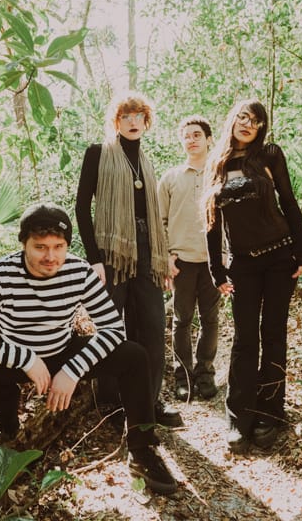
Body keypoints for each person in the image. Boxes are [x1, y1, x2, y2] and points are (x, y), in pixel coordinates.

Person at [0, 203, 177, 495]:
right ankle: (6, 405)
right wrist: (25, 358)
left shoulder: (78, 271)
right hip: (14, 357)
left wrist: (73, 370)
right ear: (24, 244)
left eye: (58, 246)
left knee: (134, 356)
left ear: (67, 245)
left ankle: (142, 450)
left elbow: (113, 329)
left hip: (62, 351)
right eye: (40, 247)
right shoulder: (0, 275)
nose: (50, 257)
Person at [203, 99, 302, 453]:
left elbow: (288, 201)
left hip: (280, 258)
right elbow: (212, 221)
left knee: (273, 334)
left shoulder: (269, 155)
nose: (249, 124)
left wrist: (301, 251)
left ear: (262, 128)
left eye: (257, 121)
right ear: (233, 120)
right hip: (243, 265)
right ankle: (239, 417)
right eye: (244, 117)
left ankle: (270, 413)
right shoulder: (217, 163)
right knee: (245, 339)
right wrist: (216, 268)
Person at [75, 93, 183, 428]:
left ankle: (148, 401)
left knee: (151, 326)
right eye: (126, 116)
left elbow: (153, 215)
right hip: (112, 251)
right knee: (110, 327)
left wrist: (162, 258)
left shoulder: (146, 161)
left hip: (147, 249)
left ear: (146, 122)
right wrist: (94, 259)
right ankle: (110, 402)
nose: (133, 122)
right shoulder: (98, 153)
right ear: (116, 121)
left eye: (139, 116)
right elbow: (81, 207)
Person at [158, 115, 221, 402]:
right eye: (186, 135)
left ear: (209, 139)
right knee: (182, 320)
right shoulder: (170, 178)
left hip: (213, 261)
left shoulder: (220, 175)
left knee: (210, 319)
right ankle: (182, 377)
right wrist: (166, 257)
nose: (191, 140)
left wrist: (226, 258)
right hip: (181, 260)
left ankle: (205, 374)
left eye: (197, 134)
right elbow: (159, 221)